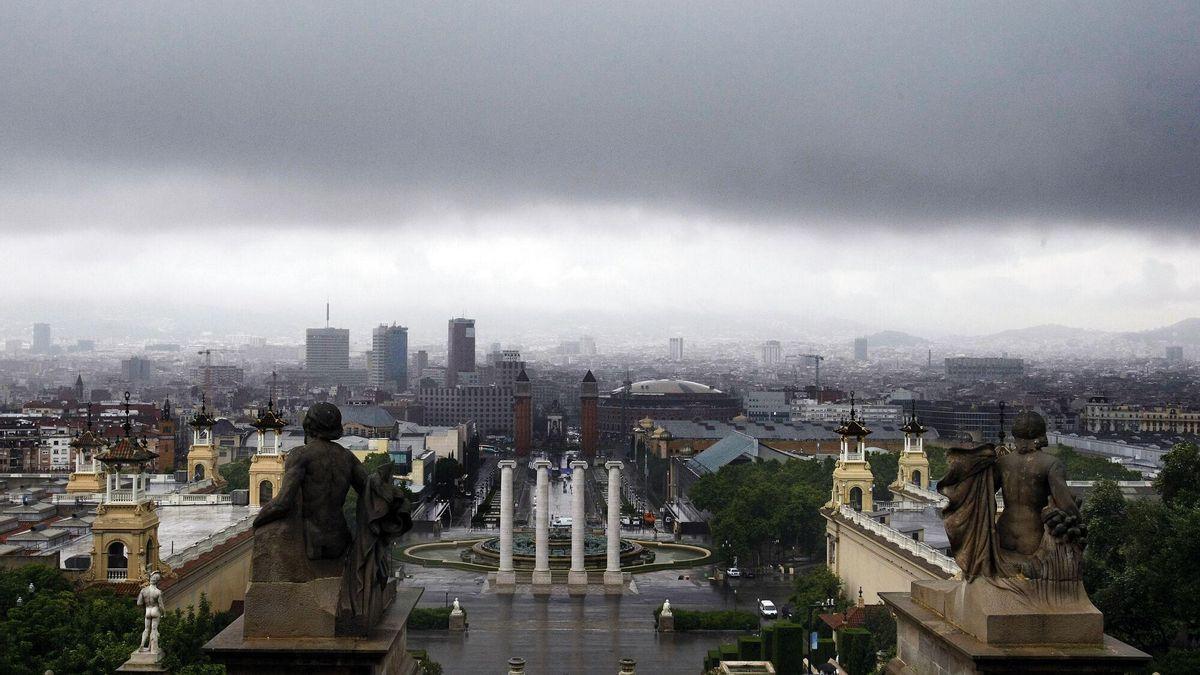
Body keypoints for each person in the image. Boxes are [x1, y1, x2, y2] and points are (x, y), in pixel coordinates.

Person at [137, 571, 165, 653]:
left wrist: (145, 605)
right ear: (157, 581)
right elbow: (161, 605)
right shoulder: (158, 591)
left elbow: (139, 603)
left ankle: (142, 645)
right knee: (154, 629)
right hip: (155, 611)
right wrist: (164, 613)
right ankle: (153, 648)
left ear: (150, 578)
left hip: (147, 611)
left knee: (146, 629)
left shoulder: (143, 590)